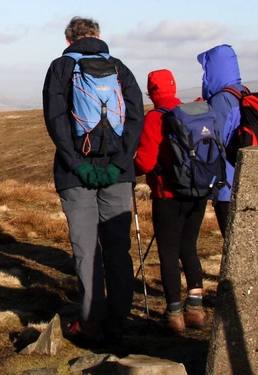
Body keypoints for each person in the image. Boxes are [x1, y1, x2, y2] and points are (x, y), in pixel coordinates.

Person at [42, 16, 144, 345]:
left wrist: (77, 164)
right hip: (117, 173)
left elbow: (56, 121)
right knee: (118, 249)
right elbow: (135, 118)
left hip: (75, 175)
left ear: (69, 40)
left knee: (87, 252)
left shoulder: (60, 68)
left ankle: (90, 322)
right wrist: (119, 164)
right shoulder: (119, 68)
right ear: (98, 36)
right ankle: (119, 322)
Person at [134, 69, 207, 333]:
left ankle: (174, 312)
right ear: (174, 87)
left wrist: (129, 171)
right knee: (189, 247)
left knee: (168, 251)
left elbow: (145, 161)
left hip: (168, 195)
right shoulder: (195, 111)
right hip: (199, 192)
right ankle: (196, 308)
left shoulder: (155, 117)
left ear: (151, 91)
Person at [197, 44, 244, 237]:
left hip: (227, 184)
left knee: (232, 239)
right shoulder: (242, 92)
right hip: (245, 178)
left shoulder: (221, 100)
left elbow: (214, 142)